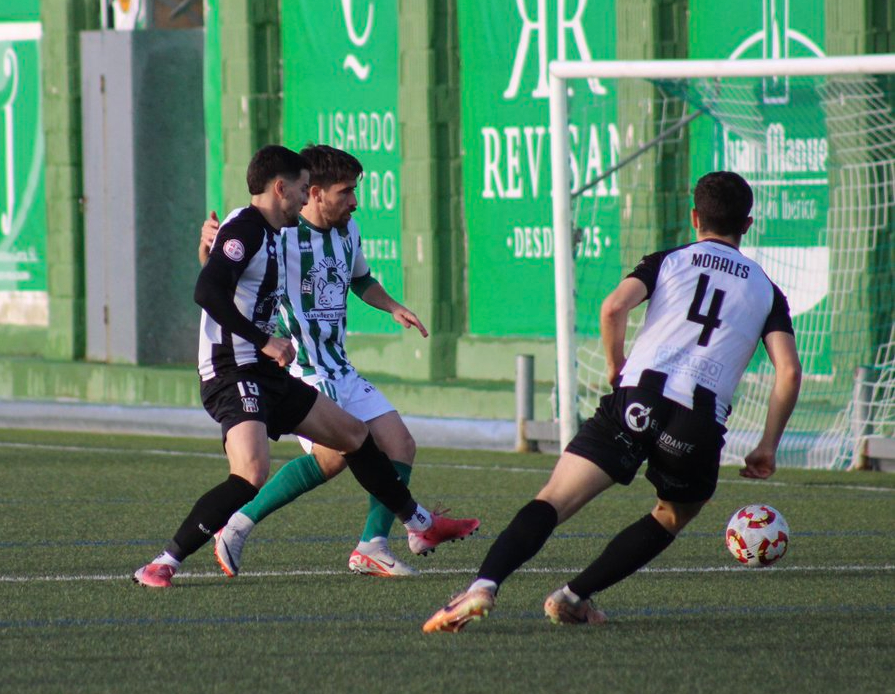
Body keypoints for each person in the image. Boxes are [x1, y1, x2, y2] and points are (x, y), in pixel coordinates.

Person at [423, 171, 802, 632]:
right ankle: (573, 597)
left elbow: (613, 307)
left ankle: (483, 586)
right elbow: (788, 370)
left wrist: (614, 364)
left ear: (694, 217)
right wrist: (767, 445)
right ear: (748, 224)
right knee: (671, 514)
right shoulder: (766, 290)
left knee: (554, 499)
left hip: (636, 399)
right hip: (696, 423)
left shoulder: (669, 260)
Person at [133, 145, 479, 588]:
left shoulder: (297, 229)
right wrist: (262, 335)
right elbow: (211, 285)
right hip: (241, 368)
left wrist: (391, 306)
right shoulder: (257, 228)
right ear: (295, 190)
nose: (352, 201)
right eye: (304, 189)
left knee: (364, 439)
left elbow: (238, 275)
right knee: (259, 472)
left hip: (286, 368)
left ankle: (409, 526)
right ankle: (170, 559)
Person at [202, 145, 429, 578]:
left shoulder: (349, 231)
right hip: (300, 366)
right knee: (335, 454)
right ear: (315, 193)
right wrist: (208, 246)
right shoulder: (277, 232)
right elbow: (220, 275)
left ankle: (373, 545)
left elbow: (361, 279)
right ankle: (237, 523)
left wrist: (392, 306)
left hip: (339, 365)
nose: (354, 201)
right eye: (345, 192)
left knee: (400, 444)